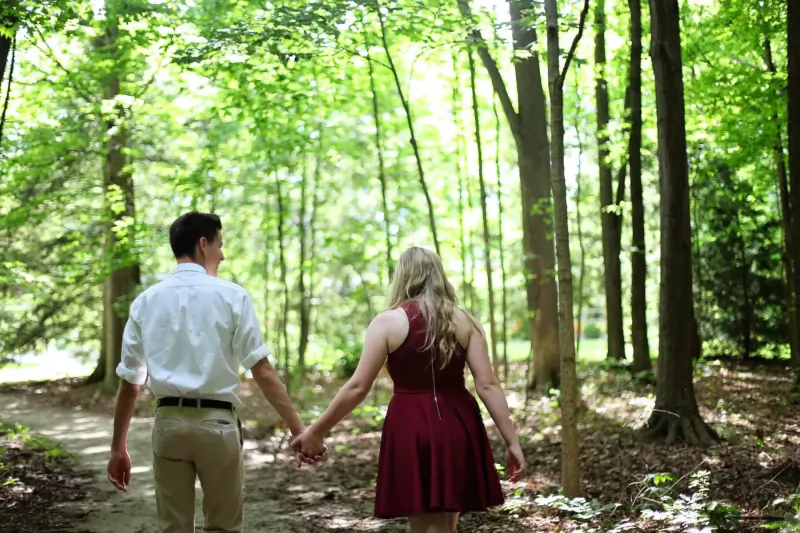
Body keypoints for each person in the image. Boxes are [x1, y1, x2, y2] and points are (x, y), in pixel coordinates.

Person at [106, 211, 325, 533]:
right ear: (203, 243)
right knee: (224, 527)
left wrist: (117, 449)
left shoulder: (145, 302)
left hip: (168, 425)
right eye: (220, 245)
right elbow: (262, 370)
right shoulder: (232, 296)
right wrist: (298, 430)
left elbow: (130, 383)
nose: (222, 254)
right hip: (217, 426)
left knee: (173, 527)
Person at [292, 246, 526, 533]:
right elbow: (487, 385)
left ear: (402, 277)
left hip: (411, 424)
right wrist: (511, 441)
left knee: (427, 523)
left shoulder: (387, 321)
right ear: (439, 276)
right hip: (458, 420)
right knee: (446, 521)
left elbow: (357, 386)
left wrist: (316, 431)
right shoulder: (465, 321)